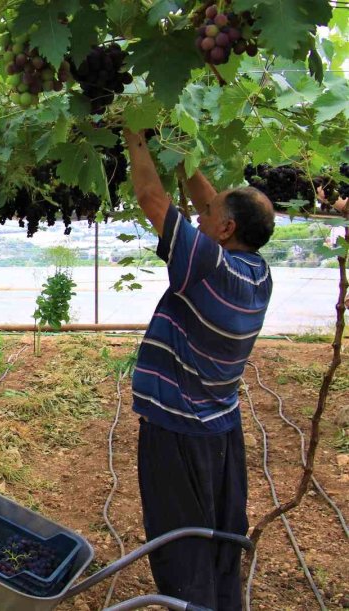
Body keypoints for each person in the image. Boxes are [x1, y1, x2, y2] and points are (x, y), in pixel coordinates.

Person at [122, 128, 276, 610]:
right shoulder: (257, 274)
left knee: (180, 545)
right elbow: (216, 203)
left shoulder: (207, 265)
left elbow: (150, 196)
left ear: (226, 230)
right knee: (220, 536)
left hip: (179, 432)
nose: (201, 212)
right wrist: (182, 153)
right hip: (221, 429)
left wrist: (135, 135)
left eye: (208, 214)